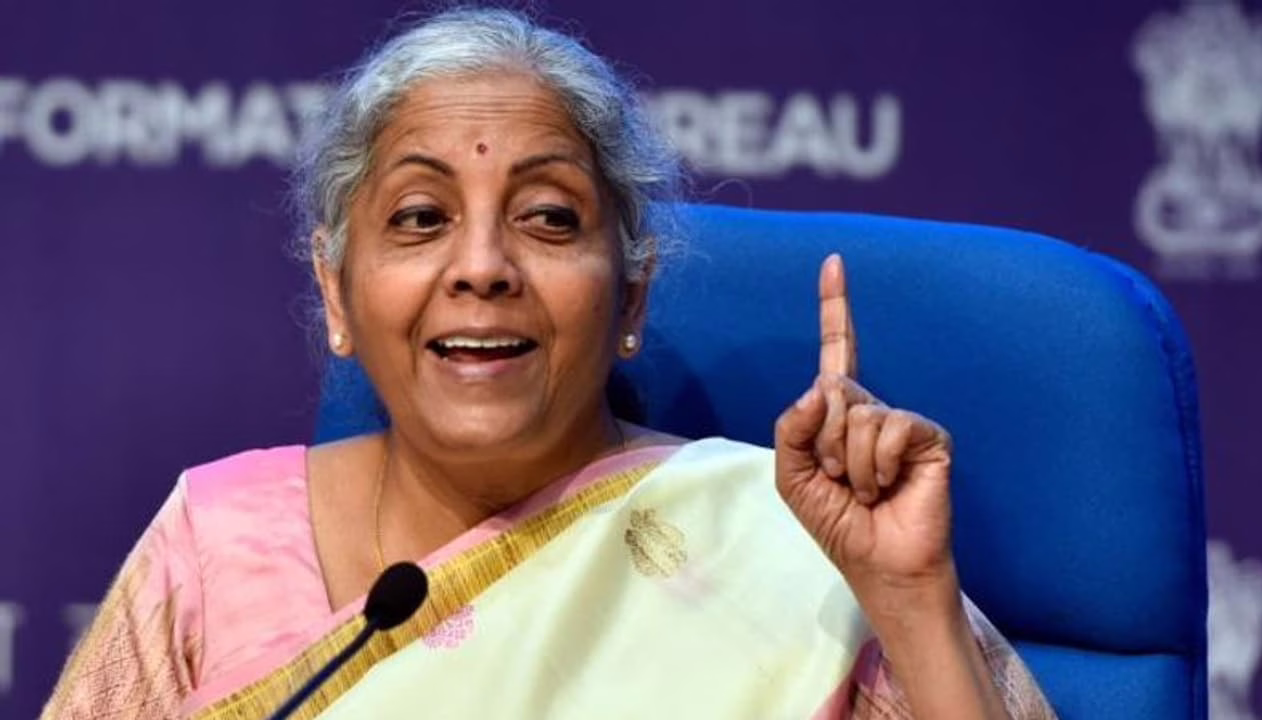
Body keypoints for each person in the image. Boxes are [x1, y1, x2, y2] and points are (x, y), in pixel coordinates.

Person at [42, 8, 1056, 719]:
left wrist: (910, 600)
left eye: (547, 218)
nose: (482, 266)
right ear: (338, 292)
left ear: (631, 296)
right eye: (421, 218)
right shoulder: (213, 550)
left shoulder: (790, 545)